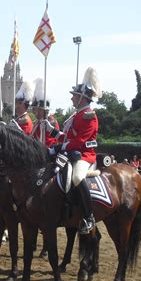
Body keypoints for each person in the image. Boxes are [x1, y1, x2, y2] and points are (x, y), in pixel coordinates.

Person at [44, 67, 101, 234]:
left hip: (84, 156)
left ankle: (89, 217)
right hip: (72, 153)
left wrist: (57, 148)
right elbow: (67, 139)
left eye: (74, 95)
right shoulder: (76, 116)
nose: (71, 97)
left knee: (76, 177)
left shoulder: (89, 116)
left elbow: (80, 141)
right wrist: (53, 132)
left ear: (82, 98)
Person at [30, 78, 59, 147]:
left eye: (35, 109)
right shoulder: (36, 123)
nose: (33, 111)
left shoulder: (51, 122)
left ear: (41, 110)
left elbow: (49, 142)